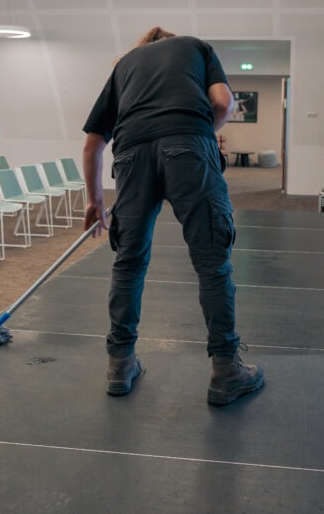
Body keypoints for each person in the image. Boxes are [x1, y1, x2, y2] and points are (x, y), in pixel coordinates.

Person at [81, 26, 264, 406]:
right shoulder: (196, 47)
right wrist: (198, 136)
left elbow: (93, 143)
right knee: (212, 263)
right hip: (190, 149)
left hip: (130, 157)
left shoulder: (124, 66)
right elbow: (223, 103)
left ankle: (120, 364)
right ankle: (226, 370)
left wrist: (95, 202)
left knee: (128, 263)